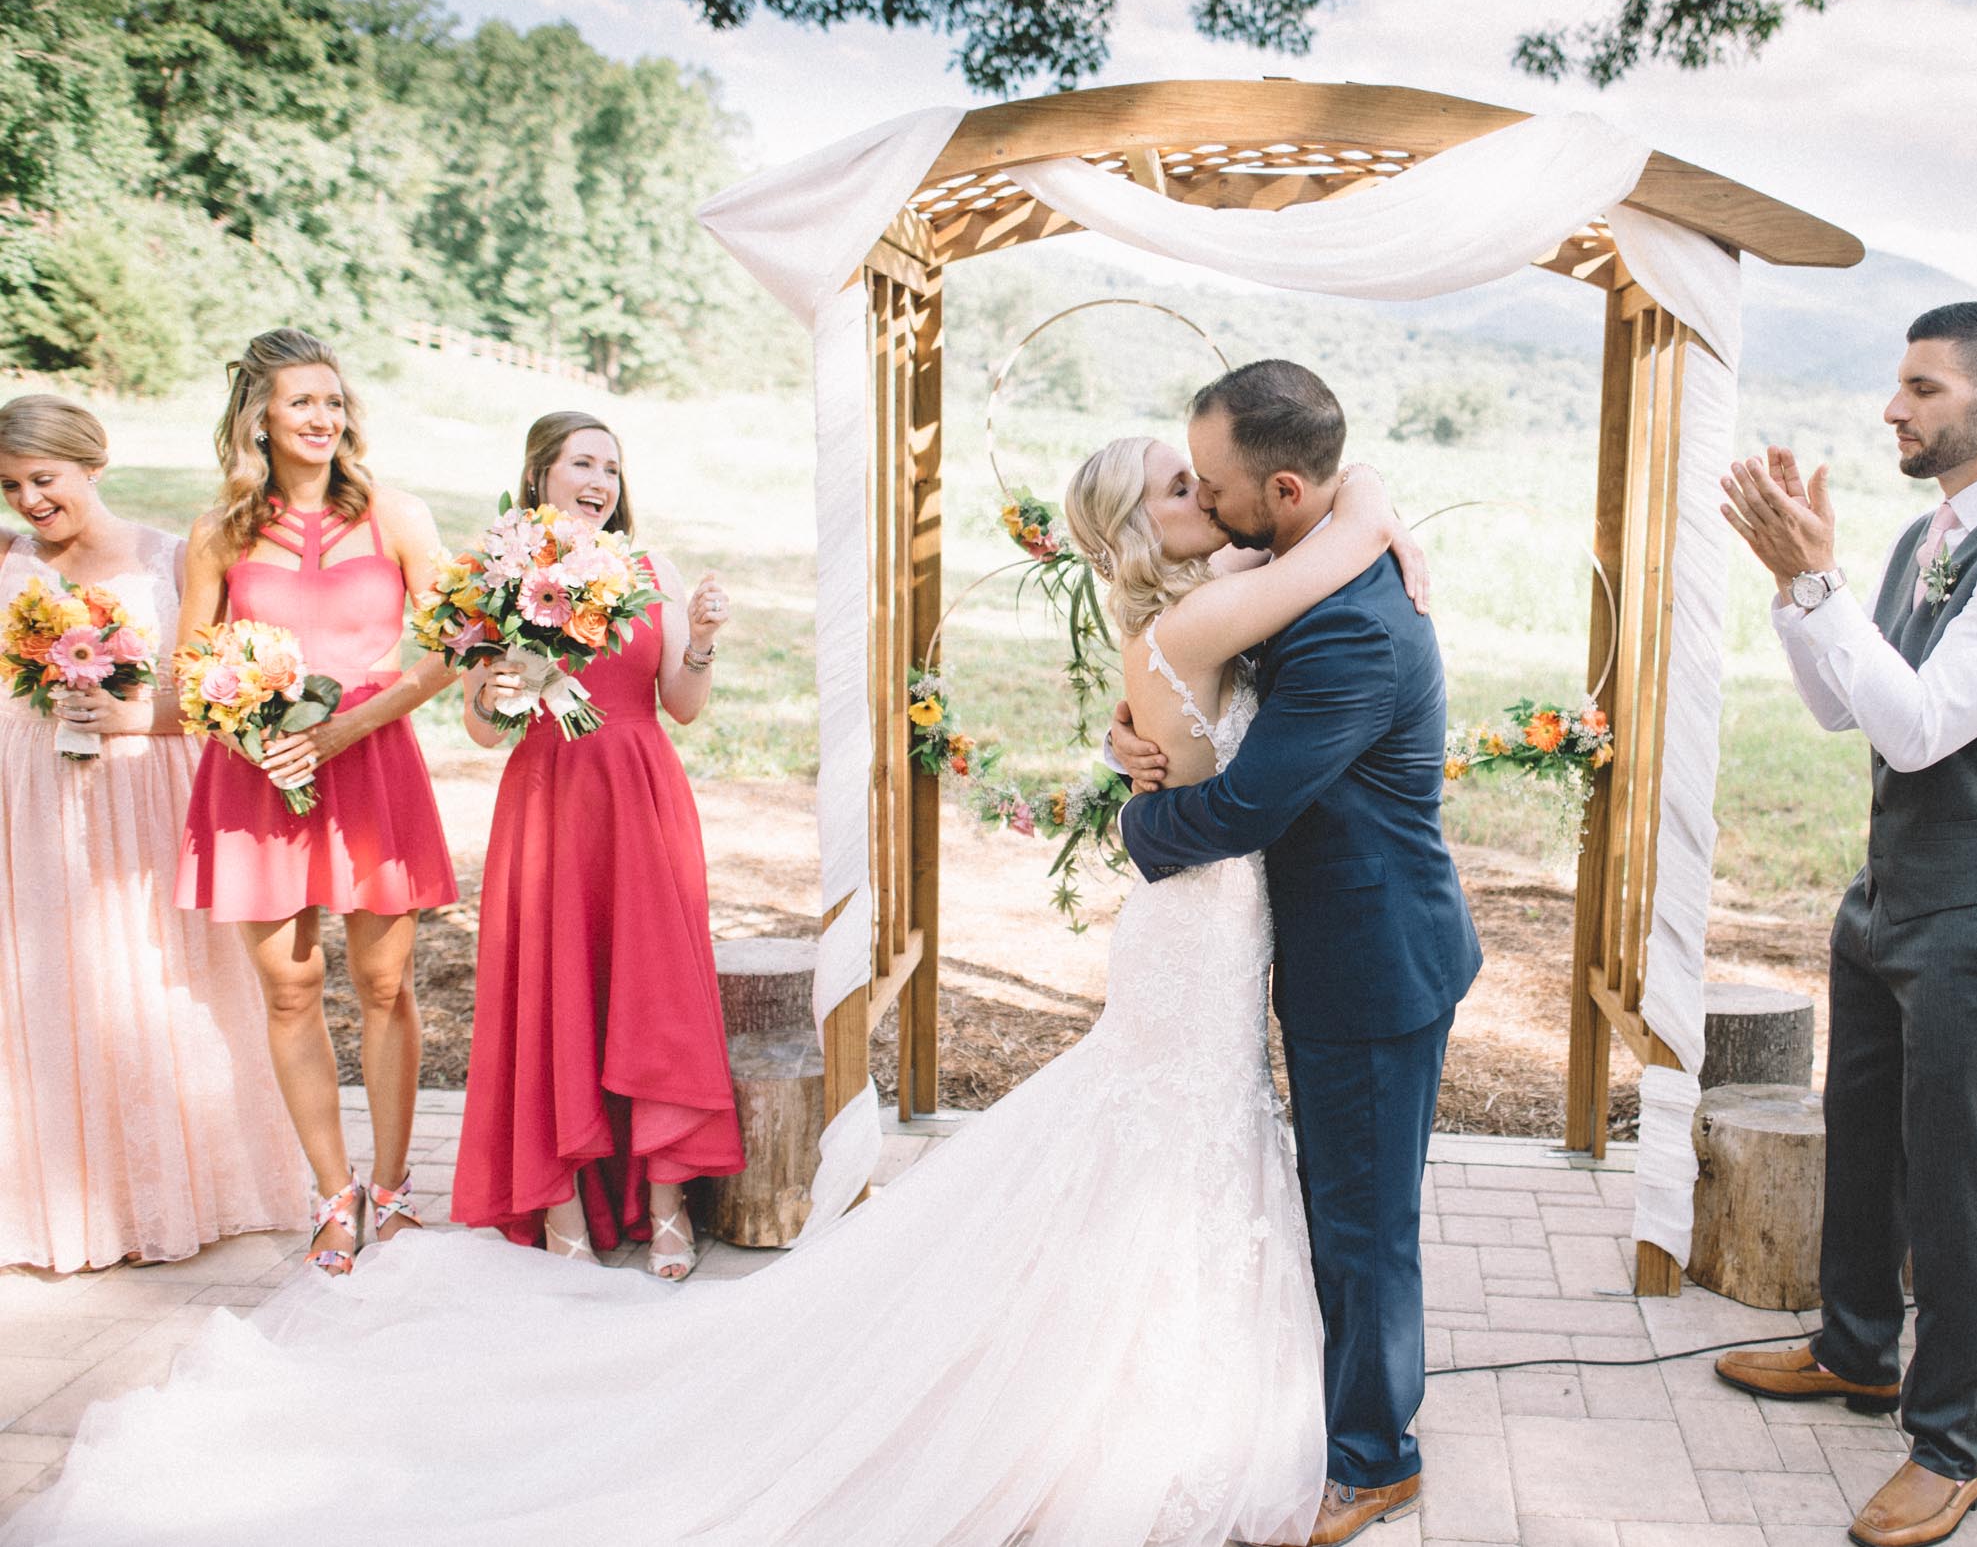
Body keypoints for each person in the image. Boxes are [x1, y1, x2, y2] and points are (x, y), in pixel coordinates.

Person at [3, 420, 1434, 1547]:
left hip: (1220, 930)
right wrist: (1365, 522)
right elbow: (1280, 636)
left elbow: (1307, 581)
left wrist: (1361, 525)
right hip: (1196, 921)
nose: (1213, 497)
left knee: (1191, 1143)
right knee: (1174, 1133)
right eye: (1184, 486)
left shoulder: (1225, 603)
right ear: (1146, 528)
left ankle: (1220, 1380)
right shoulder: (1202, 613)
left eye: (1209, 479)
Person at [1711, 303, 1977, 1547]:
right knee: (1866, 1139)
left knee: (1958, 1183)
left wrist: (1822, 579)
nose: (1892, 408)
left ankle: (1954, 1443)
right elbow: (1847, 707)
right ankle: (1856, 1347)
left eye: (1921, 387)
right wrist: (1804, 586)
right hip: (1894, 892)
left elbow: (1918, 724)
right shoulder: (1924, 535)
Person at [1113, 358, 1481, 1546]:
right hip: (1333, 941)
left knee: (1364, 1222)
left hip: (1374, 960)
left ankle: (1375, 1459)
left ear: (1281, 487)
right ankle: (1340, 1414)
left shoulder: (1352, 638)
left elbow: (1239, 812)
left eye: (1215, 485)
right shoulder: (1305, 557)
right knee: (1344, 1204)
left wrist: (1129, 819)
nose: (1204, 504)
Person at [175, 327, 459, 1277]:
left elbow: (456, 644)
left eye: (334, 401)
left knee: (384, 984)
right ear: (257, 416)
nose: (322, 418)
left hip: (372, 765)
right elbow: (189, 673)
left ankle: (392, 1189)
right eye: (302, 402)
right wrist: (247, 724)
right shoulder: (218, 532)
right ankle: (332, 1197)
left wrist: (350, 724)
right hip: (255, 777)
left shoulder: (398, 516)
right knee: (292, 989)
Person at [0, 395, 301, 1272]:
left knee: (157, 976)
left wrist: (129, 712)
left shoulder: (171, 556)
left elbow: (212, 697)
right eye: (12, 485)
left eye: (44, 479)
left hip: (147, 789)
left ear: (93, 463)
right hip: (33, 790)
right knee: (51, 977)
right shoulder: (8, 562)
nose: (30, 500)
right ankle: (62, 1198)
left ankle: (180, 1186)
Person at [451, 412, 744, 1278]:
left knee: (654, 991)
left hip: (641, 796)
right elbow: (482, 726)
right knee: (554, 990)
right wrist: (501, 687)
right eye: (583, 462)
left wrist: (703, 640)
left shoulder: (648, 566)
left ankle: (666, 1199)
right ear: (541, 471)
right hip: (549, 799)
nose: (601, 481)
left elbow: (680, 705)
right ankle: (560, 1200)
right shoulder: (501, 572)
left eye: (612, 467)